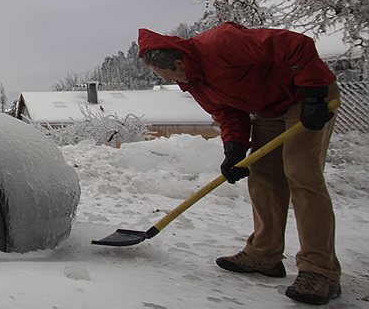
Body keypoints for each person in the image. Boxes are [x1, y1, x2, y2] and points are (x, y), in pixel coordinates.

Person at [137, 22, 341, 306]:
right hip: (270, 108)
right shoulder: (196, 83)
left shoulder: (222, 43)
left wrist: (314, 92)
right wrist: (234, 150)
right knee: (263, 175)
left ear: (179, 61)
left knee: (300, 172)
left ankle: (320, 270)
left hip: (306, 96)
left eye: (168, 74)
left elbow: (297, 44)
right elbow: (228, 112)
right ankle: (264, 254)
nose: (173, 81)